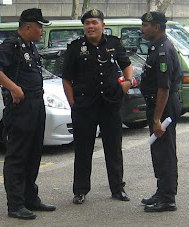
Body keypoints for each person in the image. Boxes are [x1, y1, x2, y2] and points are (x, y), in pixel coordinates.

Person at [0, 8, 56, 220]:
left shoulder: (30, 46)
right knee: (18, 156)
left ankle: (30, 198)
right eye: (40, 26)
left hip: (35, 105)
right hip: (20, 108)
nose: (42, 30)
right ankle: (15, 204)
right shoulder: (11, 44)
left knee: (34, 153)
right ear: (28, 26)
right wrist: (13, 88)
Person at [62, 9, 133, 205]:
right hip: (84, 106)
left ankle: (117, 188)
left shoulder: (113, 43)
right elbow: (66, 78)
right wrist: (72, 103)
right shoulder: (76, 48)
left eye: (94, 22)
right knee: (83, 149)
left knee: (113, 148)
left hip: (110, 104)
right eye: (87, 23)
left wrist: (128, 82)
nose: (90, 27)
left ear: (103, 25)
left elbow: (126, 64)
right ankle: (80, 190)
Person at [139, 11, 182, 212]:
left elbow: (163, 88)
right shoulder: (156, 47)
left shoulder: (164, 50)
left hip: (163, 107)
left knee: (165, 152)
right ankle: (161, 190)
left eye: (146, 25)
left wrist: (157, 119)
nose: (142, 29)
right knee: (158, 151)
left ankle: (167, 198)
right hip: (157, 106)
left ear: (156, 27)